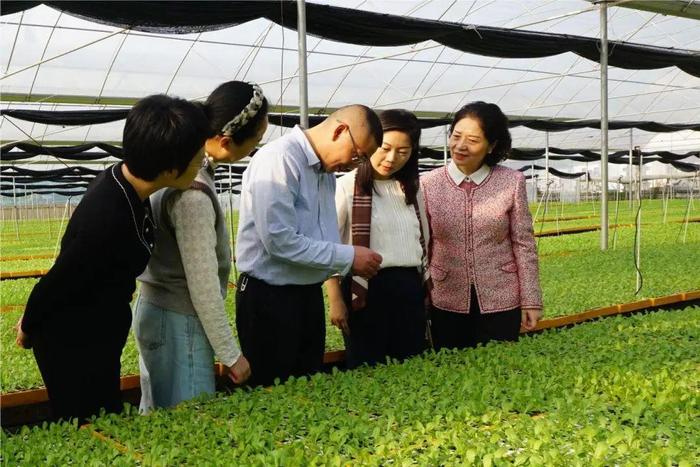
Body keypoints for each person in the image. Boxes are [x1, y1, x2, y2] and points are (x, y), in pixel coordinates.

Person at [15, 94, 211, 423]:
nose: (202, 163)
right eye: (197, 158)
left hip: (97, 331)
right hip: (72, 342)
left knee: (106, 416)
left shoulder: (129, 186)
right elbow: (59, 280)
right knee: (88, 424)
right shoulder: (107, 216)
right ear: (169, 168)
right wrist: (30, 324)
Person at [135, 82, 268, 411]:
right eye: (255, 141)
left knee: (159, 416)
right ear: (225, 141)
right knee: (189, 422)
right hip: (179, 322)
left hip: (156, 312)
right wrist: (230, 353)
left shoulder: (179, 169)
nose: (255, 149)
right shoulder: (192, 194)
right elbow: (203, 285)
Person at [235, 105, 384, 387]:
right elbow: (279, 241)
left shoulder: (324, 173)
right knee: (271, 391)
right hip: (268, 299)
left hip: (306, 296)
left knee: (308, 388)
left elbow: (322, 238)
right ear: (341, 130)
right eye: (357, 156)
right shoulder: (280, 159)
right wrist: (349, 256)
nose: (353, 166)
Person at [420, 101, 543, 350]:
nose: (461, 146)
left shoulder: (512, 182)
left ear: (492, 145)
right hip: (445, 297)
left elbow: (524, 244)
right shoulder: (428, 183)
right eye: (456, 136)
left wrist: (531, 299)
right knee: (450, 370)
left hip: (501, 297)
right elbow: (424, 244)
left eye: (473, 140)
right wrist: (421, 296)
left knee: (499, 370)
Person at [325, 109, 430, 368]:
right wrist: (336, 300)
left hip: (408, 291)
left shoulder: (413, 191)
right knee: (367, 369)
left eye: (403, 152)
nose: (392, 158)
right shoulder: (346, 186)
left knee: (412, 368)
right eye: (385, 147)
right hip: (365, 293)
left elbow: (424, 241)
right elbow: (329, 246)